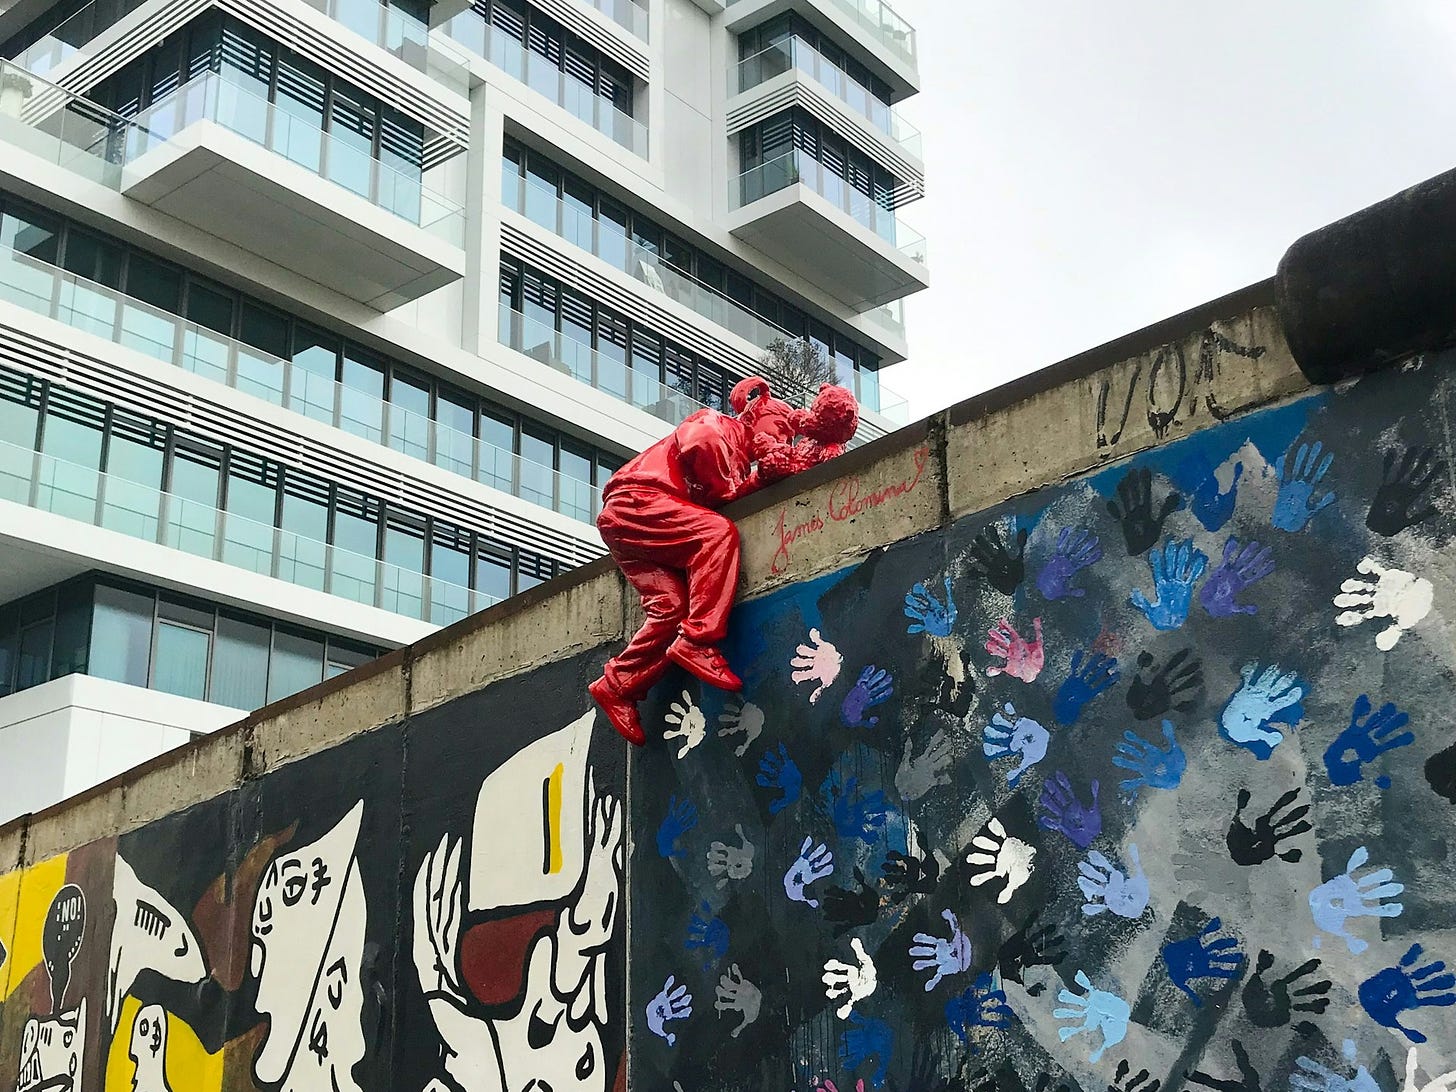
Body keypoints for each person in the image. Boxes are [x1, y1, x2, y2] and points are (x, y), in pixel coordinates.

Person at [589, 378, 857, 745]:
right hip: (640, 500)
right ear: (753, 415)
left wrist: (759, 476)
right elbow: (701, 445)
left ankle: (616, 684)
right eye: (776, 429)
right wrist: (742, 480)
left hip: (631, 518)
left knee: (669, 609)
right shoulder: (719, 425)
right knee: (718, 534)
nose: (778, 440)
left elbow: (715, 499)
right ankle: (698, 639)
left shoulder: (739, 453)